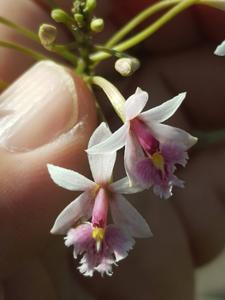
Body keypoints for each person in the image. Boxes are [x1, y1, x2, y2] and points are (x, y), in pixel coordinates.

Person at [0, 0, 225, 299]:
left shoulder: (131, 139)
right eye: (100, 224)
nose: (98, 224)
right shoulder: (123, 150)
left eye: (96, 223)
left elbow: (173, 144)